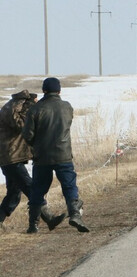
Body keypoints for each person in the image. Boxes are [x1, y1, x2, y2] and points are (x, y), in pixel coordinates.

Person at [22, 77, 89, 233]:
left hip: (42, 156)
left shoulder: (35, 109)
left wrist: (36, 145)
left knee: (38, 189)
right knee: (69, 185)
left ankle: (33, 225)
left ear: (44, 90)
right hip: (63, 154)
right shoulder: (67, 107)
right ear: (59, 90)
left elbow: (27, 135)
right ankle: (75, 215)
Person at [0, 89, 65, 231]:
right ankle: (49, 218)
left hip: (9, 157)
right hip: (11, 157)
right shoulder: (13, 108)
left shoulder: (12, 106)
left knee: (13, 194)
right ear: (27, 101)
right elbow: (23, 127)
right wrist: (31, 110)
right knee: (31, 189)